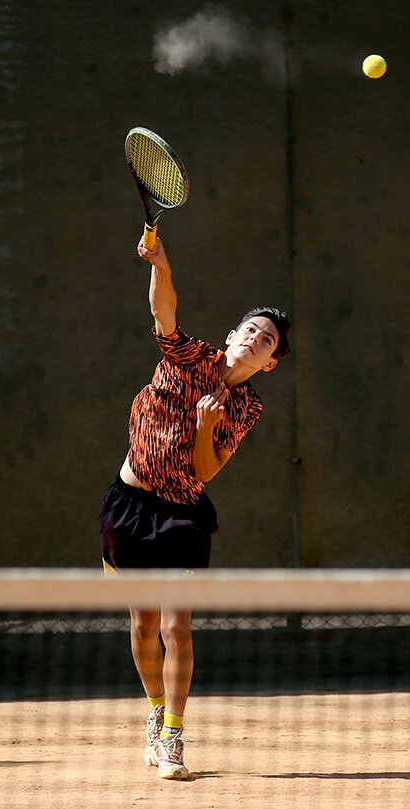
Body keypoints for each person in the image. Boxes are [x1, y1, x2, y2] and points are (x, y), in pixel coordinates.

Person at [99, 235, 290, 780]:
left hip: (182, 516)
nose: (256, 339)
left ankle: (174, 737)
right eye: (251, 329)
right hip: (130, 504)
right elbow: (165, 310)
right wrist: (161, 265)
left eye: (267, 340)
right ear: (232, 337)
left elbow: (205, 472)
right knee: (143, 625)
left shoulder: (246, 406)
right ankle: (155, 714)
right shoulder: (189, 355)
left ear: (270, 362)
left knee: (177, 627)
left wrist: (207, 428)